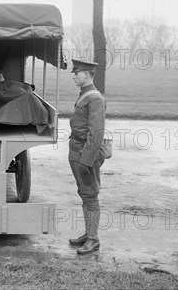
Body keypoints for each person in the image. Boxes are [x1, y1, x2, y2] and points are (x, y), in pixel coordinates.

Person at [68, 59, 106, 255]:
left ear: (87, 75)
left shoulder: (95, 98)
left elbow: (96, 133)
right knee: (84, 192)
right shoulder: (85, 95)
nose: (74, 75)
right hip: (76, 149)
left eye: (77, 72)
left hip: (84, 152)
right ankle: (88, 233)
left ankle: (93, 239)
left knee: (90, 194)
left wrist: (87, 159)